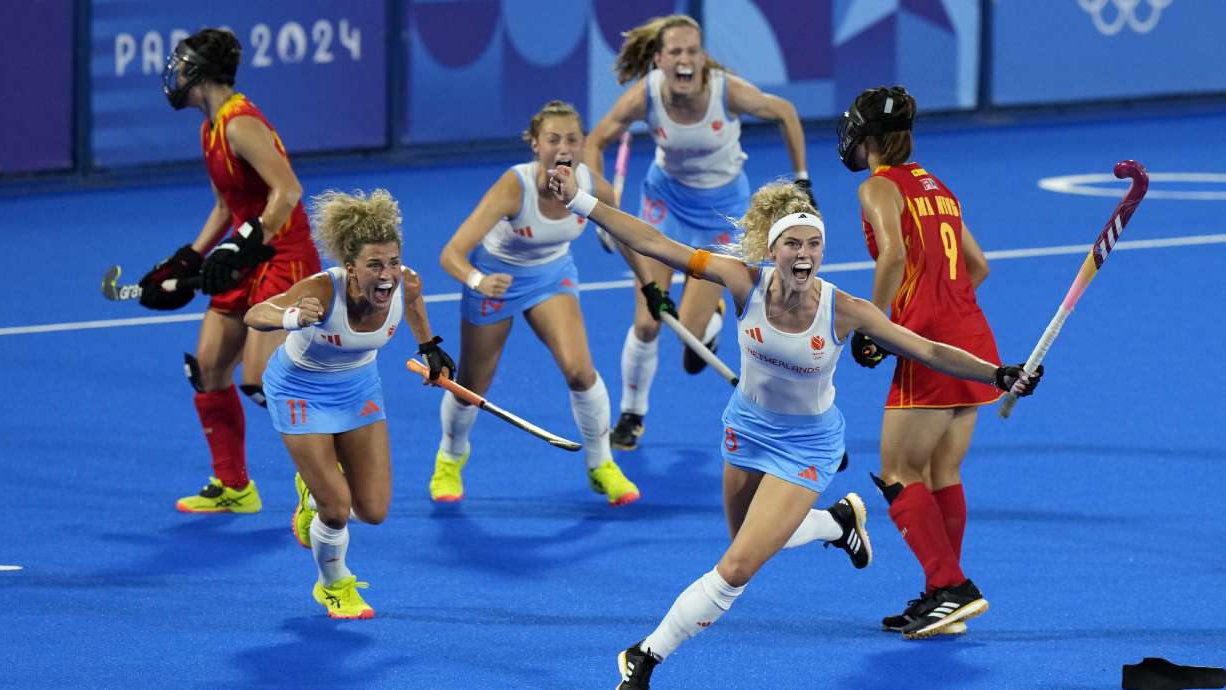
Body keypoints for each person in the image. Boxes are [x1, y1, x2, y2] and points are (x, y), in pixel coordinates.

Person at [547, 167, 1042, 686]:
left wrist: (998, 373)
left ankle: (646, 656)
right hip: (746, 431)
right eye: (792, 244)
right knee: (749, 537)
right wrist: (580, 200)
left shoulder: (844, 310)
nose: (804, 254)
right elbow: (654, 242)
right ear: (773, 249)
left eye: (813, 244)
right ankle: (837, 523)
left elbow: (928, 351)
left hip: (807, 447)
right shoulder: (742, 281)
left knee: (737, 566)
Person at [838, 86, 1030, 638]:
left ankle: (951, 587)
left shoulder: (877, 186)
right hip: (974, 341)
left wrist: (877, 325)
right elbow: (978, 266)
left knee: (898, 473)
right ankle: (940, 597)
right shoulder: (938, 188)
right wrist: (945, 305)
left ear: (867, 138)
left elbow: (894, 255)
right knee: (941, 473)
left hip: (929, 347)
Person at [584, 14, 813, 451]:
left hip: (722, 216)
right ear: (659, 59)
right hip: (664, 206)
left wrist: (801, 179)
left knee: (687, 332)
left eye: (693, 51)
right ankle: (632, 415)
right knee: (648, 322)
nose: (685, 60)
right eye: (676, 52)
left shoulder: (728, 92)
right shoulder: (645, 95)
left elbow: (784, 112)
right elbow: (595, 142)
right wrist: (603, 203)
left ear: (703, 58)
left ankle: (709, 319)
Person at [245, 188, 455, 618]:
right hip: (300, 390)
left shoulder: (407, 283)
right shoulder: (322, 290)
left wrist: (429, 346)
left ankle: (312, 492)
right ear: (350, 267)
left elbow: (413, 302)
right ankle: (333, 585)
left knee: (373, 511)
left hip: (358, 388)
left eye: (393, 262)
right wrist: (290, 317)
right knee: (337, 508)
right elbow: (255, 314)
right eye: (374, 265)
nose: (387, 275)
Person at [138, 28, 323, 513]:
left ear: (200, 73)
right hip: (248, 252)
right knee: (209, 369)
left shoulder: (241, 124)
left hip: (282, 254)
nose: (175, 75)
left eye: (182, 67)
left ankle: (325, 475)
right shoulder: (211, 129)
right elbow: (227, 205)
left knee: (261, 379)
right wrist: (188, 257)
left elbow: (288, 191)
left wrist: (243, 244)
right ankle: (235, 487)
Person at [429, 100, 644, 506]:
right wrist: (479, 281)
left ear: (583, 145)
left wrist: (649, 288)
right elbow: (451, 253)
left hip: (551, 275)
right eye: (553, 140)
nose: (564, 148)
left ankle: (601, 464)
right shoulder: (515, 186)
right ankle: (450, 458)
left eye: (573, 140)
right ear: (535, 145)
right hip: (495, 278)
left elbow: (629, 237)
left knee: (580, 372)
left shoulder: (593, 185)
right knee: (471, 384)